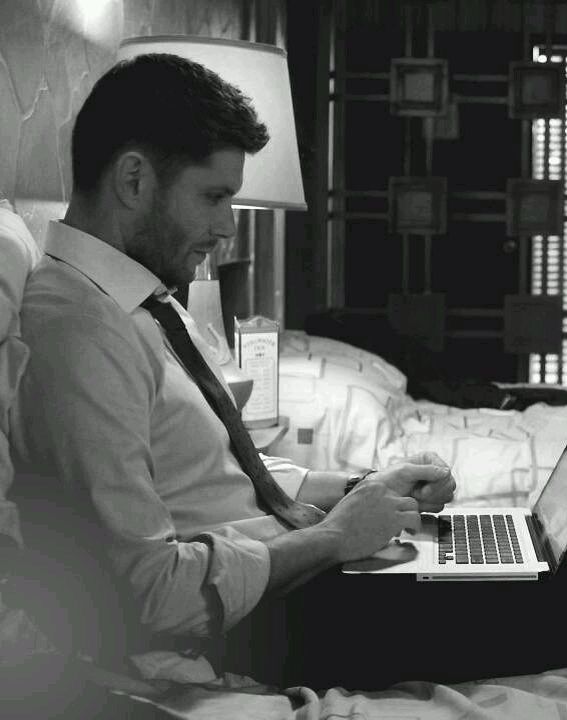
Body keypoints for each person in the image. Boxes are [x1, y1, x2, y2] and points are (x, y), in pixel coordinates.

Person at [9, 52, 455, 691]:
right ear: (133, 180)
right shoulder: (81, 330)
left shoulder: (145, 301)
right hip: (265, 624)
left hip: (295, 575)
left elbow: (214, 472)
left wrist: (358, 486)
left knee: (519, 567)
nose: (226, 228)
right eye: (214, 197)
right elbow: (149, 591)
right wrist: (334, 538)